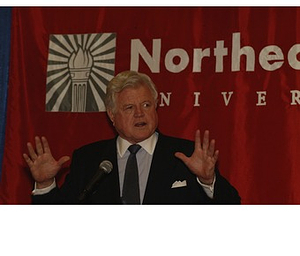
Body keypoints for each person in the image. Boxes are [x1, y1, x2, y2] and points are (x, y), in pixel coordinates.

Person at [23, 70, 241, 204]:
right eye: (129, 107)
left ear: (156, 107)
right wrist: (45, 184)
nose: (140, 113)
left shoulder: (186, 156)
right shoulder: (89, 160)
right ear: (112, 115)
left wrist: (207, 181)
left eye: (146, 105)